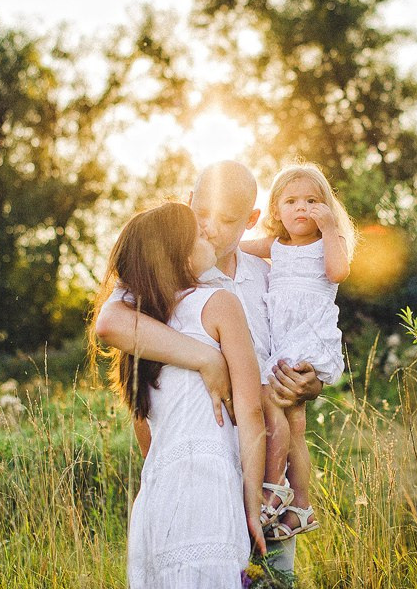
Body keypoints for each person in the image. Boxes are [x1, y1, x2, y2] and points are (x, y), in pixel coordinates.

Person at [92, 161, 324, 568]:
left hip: (266, 469)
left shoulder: (271, 279)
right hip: (196, 462)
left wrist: (311, 383)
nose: (212, 227)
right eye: (202, 215)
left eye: (227, 219)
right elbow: (110, 322)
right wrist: (206, 358)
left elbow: (301, 347)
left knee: (272, 575)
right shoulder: (165, 276)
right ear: (188, 203)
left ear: (251, 220)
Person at [95, 202, 266, 587]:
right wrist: (252, 502)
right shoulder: (220, 304)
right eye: (200, 235)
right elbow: (250, 412)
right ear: (180, 254)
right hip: (208, 488)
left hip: (157, 496)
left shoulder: (144, 330)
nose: (210, 236)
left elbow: (144, 432)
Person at [240, 164, 354, 541]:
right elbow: (234, 245)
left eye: (312, 201)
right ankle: (302, 505)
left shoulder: (327, 243)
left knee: (272, 399)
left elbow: (338, 272)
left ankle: (274, 485)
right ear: (276, 211)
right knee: (298, 428)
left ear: (326, 207)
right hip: (284, 341)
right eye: (291, 201)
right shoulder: (275, 246)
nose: (301, 208)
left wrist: (330, 227)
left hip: (308, 338)